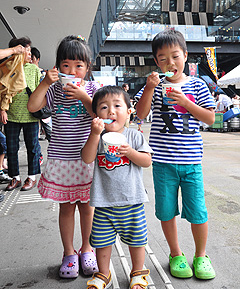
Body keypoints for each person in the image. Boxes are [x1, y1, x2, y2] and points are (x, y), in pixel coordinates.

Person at [136, 29, 216, 280]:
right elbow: (140, 114)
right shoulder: (155, 85)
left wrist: (187, 103)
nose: (170, 63)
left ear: (185, 56)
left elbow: (210, 119)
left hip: (191, 162)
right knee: (167, 210)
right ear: (156, 62)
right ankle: (176, 254)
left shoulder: (198, 85)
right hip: (162, 163)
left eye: (175, 56)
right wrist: (149, 88)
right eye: (163, 59)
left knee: (198, 212)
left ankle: (201, 256)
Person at [27, 35, 100, 279]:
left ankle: (87, 249)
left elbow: (101, 115)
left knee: (88, 209)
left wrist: (83, 97)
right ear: (58, 66)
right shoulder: (55, 89)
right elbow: (33, 107)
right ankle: (69, 253)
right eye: (66, 65)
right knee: (66, 208)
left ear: (87, 68)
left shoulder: (92, 89)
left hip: (86, 160)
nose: (72, 71)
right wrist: (45, 83)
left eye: (79, 66)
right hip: (61, 159)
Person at [82, 85, 153, 289]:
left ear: (129, 112)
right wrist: (95, 134)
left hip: (132, 201)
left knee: (137, 240)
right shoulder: (97, 137)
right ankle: (104, 273)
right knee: (101, 241)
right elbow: (87, 158)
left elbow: (146, 161)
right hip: (104, 203)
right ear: (96, 115)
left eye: (117, 106)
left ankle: (138, 273)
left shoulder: (135, 137)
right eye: (104, 107)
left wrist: (130, 152)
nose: (110, 111)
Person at [0, 37, 41, 191]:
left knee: (33, 147)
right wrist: (2, 109)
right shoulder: (7, 67)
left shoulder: (34, 69)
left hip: (30, 115)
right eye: (27, 51)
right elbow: (2, 90)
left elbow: (39, 91)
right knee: (11, 148)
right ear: (18, 51)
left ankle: (32, 177)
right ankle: (15, 178)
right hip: (11, 115)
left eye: (30, 51)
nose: (30, 54)